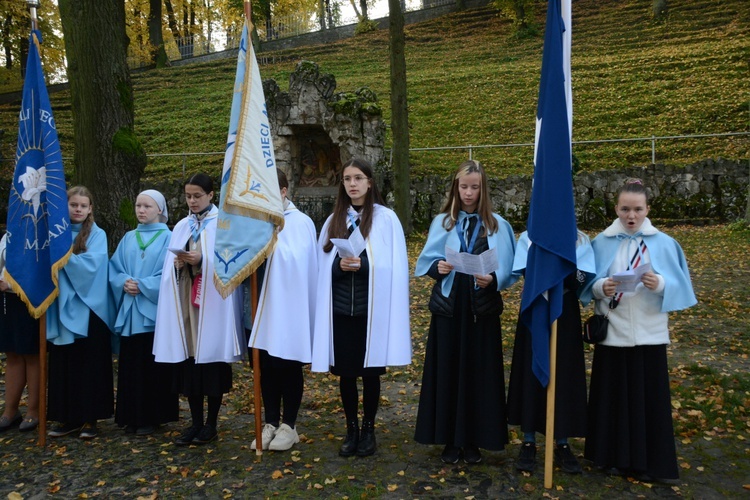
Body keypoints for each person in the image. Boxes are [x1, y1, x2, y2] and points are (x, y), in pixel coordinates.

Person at [580, 178, 697, 481]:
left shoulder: (665, 244)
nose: (631, 216)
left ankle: (649, 462)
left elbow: (680, 286)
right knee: (613, 399)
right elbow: (586, 282)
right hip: (613, 332)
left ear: (647, 209)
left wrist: (660, 284)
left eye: (637, 210)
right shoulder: (601, 242)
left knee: (648, 401)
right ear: (616, 209)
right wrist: (599, 287)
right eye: (625, 209)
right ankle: (609, 457)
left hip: (649, 333)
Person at [414, 159, 517, 465]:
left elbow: (510, 269)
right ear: (455, 189)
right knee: (448, 370)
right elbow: (427, 260)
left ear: (483, 189)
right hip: (450, 306)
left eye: (475, 187)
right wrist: (438, 267)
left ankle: (474, 439)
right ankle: (449, 439)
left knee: (479, 374)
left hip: (481, 308)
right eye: (464, 187)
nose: (469, 193)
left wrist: (494, 280)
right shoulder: (443, 222)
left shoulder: (497, 225)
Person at [311, 157, 411, 458]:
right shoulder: (333, 220)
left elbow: (393, 266)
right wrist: (340, 266)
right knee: (346, 373)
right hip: (342, 311)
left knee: (370, 373)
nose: (352, 184)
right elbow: (321, 267)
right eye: (347, 179)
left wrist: (364, 264)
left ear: (369, 181)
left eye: (357, 178)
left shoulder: (385, 219)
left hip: (371, 313)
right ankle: (351, 427)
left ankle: (369, 428)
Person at [153, 173, 244, 446]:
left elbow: (231, 263)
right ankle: (194, 422)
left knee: (211, 364)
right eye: (188, 196)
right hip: (187, 303)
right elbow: (168, 267)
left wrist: (203, 259)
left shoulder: (224, 224)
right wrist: (179, 264)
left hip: (212, 303)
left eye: (197, 196)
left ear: (211, 195)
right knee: (190, 364)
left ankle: (211, 423)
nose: (192, 201)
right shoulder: (182, 225)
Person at [506, 229, 595, 474]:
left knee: (563, 370)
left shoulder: (579, 238)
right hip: (537, 305)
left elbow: (583, 275)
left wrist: (561, 273)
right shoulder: (529, 236)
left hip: (565, 308)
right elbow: (526, 269)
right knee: (532, 365)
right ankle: (529, 439)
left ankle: (563, 440)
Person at [248, 169, 318, 452]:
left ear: (284, 191)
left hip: (287, 306)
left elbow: (300, 261)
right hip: (259, 306)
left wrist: (271, 247)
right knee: (264, 366)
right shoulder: (254, 221)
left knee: (286, 364)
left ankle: (290, 425)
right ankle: (270, 423)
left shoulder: (299, 223)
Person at [46, 186, 115, 439]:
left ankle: (90, 419)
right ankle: (67, 417)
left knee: (89, 364)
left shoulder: (98, 235)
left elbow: (93, 267)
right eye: (73, 204)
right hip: (61, 308)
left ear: (90, 210)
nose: (78, 209)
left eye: (83, 206)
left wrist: (63, 258)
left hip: (90, 309)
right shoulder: (54, 233)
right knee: (65, 364)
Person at [109, 190, 178, 436]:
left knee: (153, 366)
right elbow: (114, 268)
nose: (141, 210)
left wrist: (144, 285)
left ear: (160, 209)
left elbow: (171, 274)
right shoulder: (128, 237)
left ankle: (153, 415)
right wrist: (124, 282)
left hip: (154, 312)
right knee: (130, 366)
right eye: (138, 205)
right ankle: (130, 416)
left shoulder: (170, 238)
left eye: (147, 206)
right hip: (131, 311)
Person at [0, 232, 41, 433]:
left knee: (31, 353)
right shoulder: (9, 234)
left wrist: (15, 283)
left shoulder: (41, 232)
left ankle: (34, 410)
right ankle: (10, 410)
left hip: (30, 298)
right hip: (7, 298)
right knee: (12, 353)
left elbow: (41, 267)